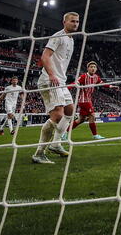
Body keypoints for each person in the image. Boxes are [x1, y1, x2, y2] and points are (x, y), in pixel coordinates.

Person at [32, 12, 80, 164]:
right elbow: (45, 57)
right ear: (64, 22)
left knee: (70, 111)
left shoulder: (71, 40)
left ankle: (56, 144)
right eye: (72, 21)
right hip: (50, 80)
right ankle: (39, 153)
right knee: (57, 115)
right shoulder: (57, 36)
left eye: (77, 22)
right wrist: (52, 75)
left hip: (61, 81)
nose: (75, 24)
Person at [66, 61, 119, 140]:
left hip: (88, 100)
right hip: (84, 101)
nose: (93, 68)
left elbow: (102, 84)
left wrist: (111, 86)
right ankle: (95, 135)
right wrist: (66, 88)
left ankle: (65, 133)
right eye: (91, 67)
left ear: (96, 69)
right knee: (92, 116)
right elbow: (75, 83)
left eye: (94, 67)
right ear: (88, 68)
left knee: (81, 120)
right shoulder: (84, 76)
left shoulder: (96, 77)